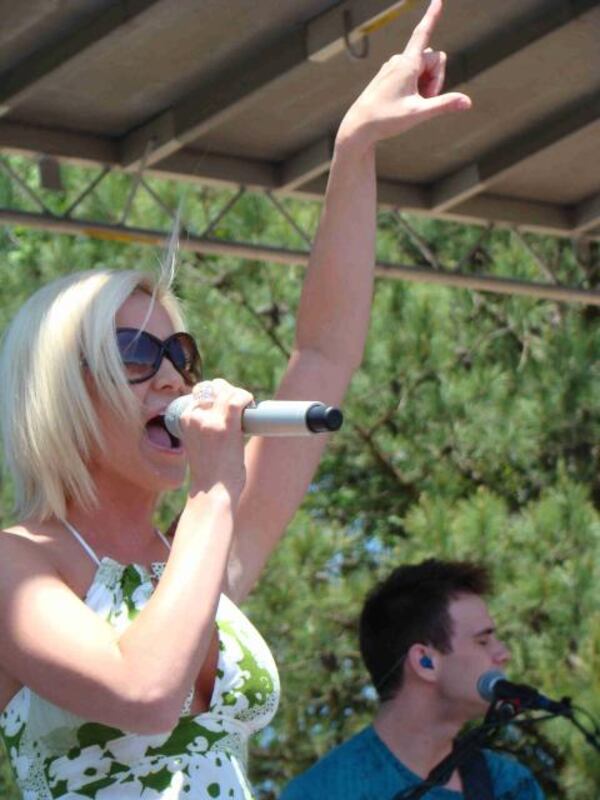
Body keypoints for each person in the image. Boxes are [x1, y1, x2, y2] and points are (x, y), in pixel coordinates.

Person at [0, 1, 471, 798]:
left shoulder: (192, 552)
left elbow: (321, 356)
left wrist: (354, 149)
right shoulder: (20, 563)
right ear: (61, 390)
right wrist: (216, 489)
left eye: (181, 353)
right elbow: (143, 692)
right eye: (137, 354)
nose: (175, 377)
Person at [281, 559, 545, 800]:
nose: (503, 654)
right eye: (483, 641)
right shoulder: (322, 792)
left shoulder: (512, 787)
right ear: (425, 661)